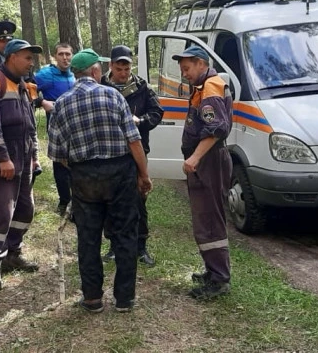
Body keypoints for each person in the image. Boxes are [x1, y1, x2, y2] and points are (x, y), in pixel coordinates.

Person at [48, 48, 153, 313]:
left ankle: (93, 299)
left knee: (88, 237)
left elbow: (58, 154)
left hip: (83, 176)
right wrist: (143, 174)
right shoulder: (113, 96)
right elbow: (134, 140)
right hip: (119, 173)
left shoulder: (62, 103)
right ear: (95, 71)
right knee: (126, 234)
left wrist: (81, 168)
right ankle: (124, 298)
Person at [0, 38, 43, 291]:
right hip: (2, 155)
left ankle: (13, 252)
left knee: (26, 208)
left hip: (24, 155)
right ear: (12, 57)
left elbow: (29, 125)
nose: (30, 62)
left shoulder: (23, 85)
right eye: (27, 57)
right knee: (2, 210)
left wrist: (34, 154)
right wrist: (3, 158)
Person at [174, 46, 234, 300]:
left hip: (209, 162)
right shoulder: (204, 86)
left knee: (209, 220)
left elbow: (216, 128)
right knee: (205, 218)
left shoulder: (210, 87)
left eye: (187, 69)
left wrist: (195, 157)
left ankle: (219, 279)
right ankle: (213, 271)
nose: (184, 74)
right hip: (206, 162)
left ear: (200, 64)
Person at [100, 45, 164, 266]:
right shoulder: (101, 86)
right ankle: (113, 246)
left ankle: (141, 247)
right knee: (111, 199)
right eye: (119, 68)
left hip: (137, 150)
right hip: (109, 152)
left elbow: (157, 112)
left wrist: (141, 122)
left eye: (127, 68)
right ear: (111, 66)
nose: (124, 73)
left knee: (138, 198)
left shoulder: (142, 87)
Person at [34, 43, 76, 215]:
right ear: (55, 56)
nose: (65, 58)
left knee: (75, 163)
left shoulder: (74, 75)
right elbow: (28, 88)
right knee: (59, 163)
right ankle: (64, 201)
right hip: (57, 125)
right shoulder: (46, 74)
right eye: (61, 54)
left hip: (75, 125)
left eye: (68, 54)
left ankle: (77, 200)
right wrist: (42, 102)